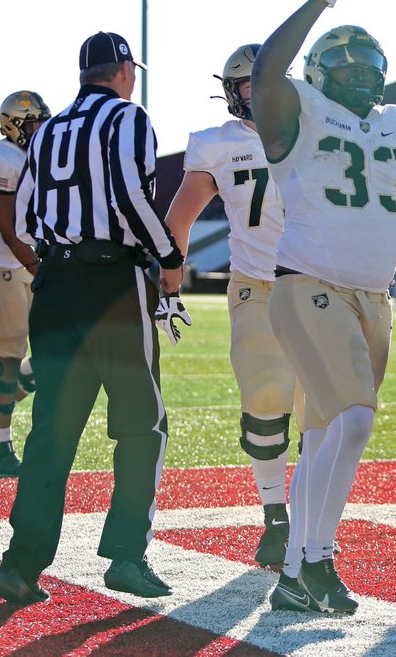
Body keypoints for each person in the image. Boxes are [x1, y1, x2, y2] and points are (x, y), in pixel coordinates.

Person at [251, 0, 396, 615]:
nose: (363, 77)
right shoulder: (298, 109)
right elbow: (266, 70)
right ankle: (316, 559)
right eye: (348, 69)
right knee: (354, 420)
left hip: (374, 295)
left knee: (328, 436)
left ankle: (293, 572)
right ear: (320, 75)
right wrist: (319, 1)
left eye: (371, 69)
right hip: (308, 281)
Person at [0, 31, 186, 605]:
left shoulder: (47, 129)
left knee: (53, 429)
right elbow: (129, 192)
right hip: (111, 283)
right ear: (123, 70)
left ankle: (21, 564)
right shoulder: (128, 118)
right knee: (141, 423)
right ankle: (126, 554)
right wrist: (168, 257)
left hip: (55, 285)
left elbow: (26, 218)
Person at [163, 44, 297, 568]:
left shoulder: (315, 129)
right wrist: (169, 287)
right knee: (264, 400)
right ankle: (275, 515)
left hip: (319, 285)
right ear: (232, 90)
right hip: (257, 286)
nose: (259, 94)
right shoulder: (215, 145)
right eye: (248, 85)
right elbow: (180, 219)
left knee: (321, 412)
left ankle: (309, 517)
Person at [0, 90, 51, 476]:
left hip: (28, 263)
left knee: (55, 353)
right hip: (0, 264)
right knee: (8, 360)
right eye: (32, 123)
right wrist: (39, 267)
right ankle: (0, 445)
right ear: (13, 125)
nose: (39, 130)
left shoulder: (35, 155)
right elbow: (9, 228)